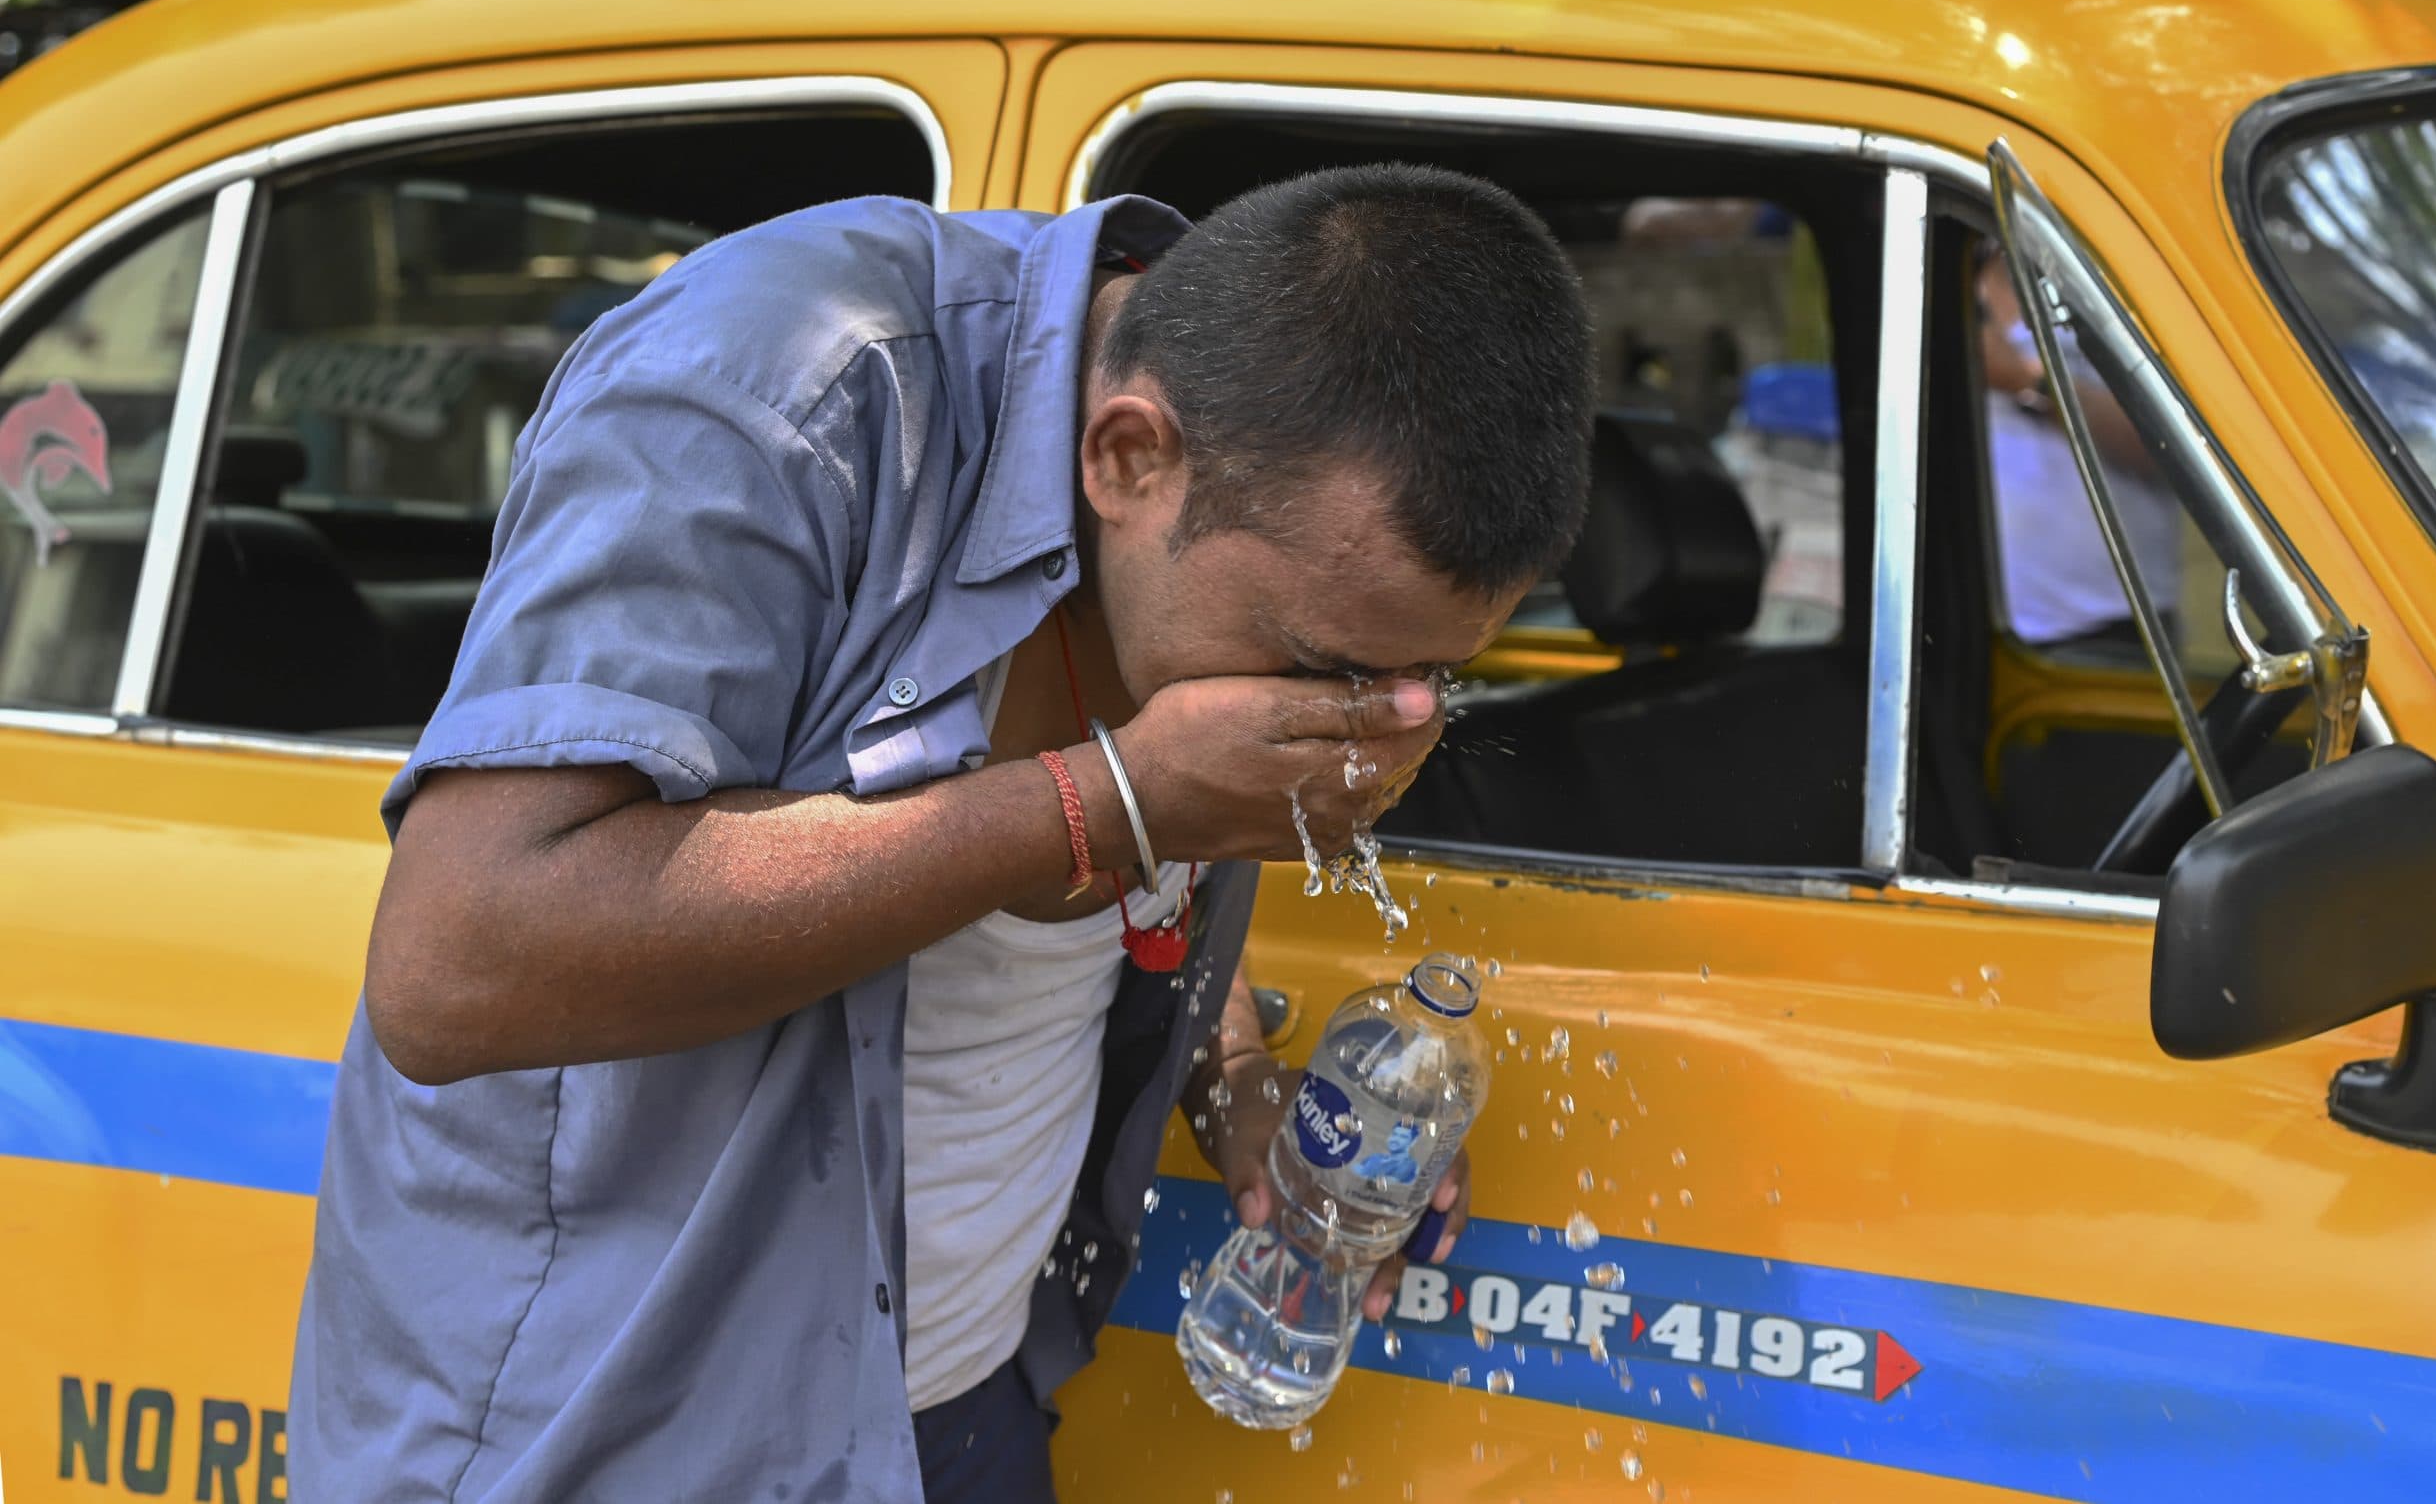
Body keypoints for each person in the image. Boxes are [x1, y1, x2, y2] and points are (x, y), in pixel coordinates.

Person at [287, 163, 1597, 1504]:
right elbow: (454, 959)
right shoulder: (783, 387)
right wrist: (1112, 799)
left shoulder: (1251, 461)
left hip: (960, 1413)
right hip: (620, 1436)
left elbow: (1098, 930)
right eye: (1320, 670)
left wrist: (1237, 1084)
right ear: (1126, 456)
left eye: (1418, 686)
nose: (1356, 728)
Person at [1975, 243, 2181, 652]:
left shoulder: (2120, 278)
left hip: (2110, 626)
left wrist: (2030, 382)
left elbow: (2167, 449)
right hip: (1989, 630)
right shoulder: (1944, 272)